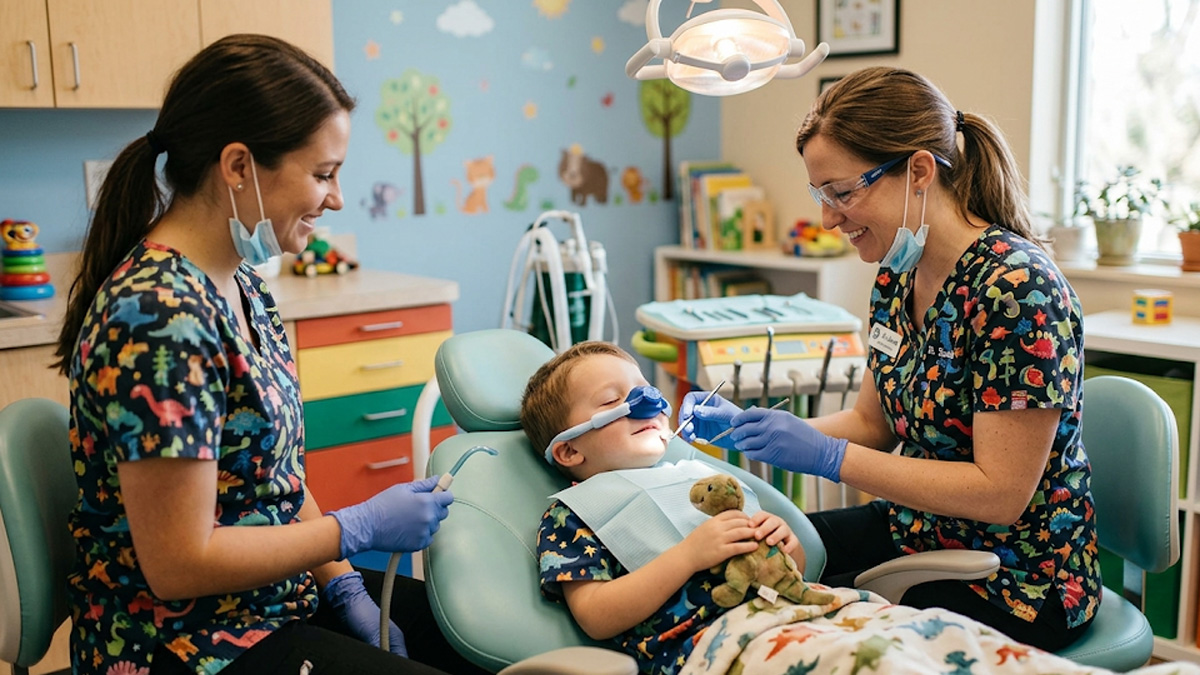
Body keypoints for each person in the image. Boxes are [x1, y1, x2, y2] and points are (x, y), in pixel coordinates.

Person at [52, 34, 487, 675]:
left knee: (484, 634)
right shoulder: (159, 319)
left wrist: (341, 581)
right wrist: (355, 528)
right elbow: (178, 565)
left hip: (275, 600)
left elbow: (270, 478)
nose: (335, 199)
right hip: (184, 642)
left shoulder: (244, 285)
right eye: (323, 174)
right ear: (238, 167)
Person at [678, 66, 1097, 652]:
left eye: (843, 193)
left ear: (919, 171)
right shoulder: (897, 275)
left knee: (814, 638)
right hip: (916, 528)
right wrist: (751, 433)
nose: (829, 218)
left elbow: (1000, 493)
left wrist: (828, 457)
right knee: (744, 570)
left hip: (1016, 574)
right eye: (820, 195)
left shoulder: (1018, 291)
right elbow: (871, 426)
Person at [520, 341, 812, 674]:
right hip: (719, 647)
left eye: (646, 390)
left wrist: (786, 546)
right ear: (570, 451)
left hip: (794, 614)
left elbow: (795, 571)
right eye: (612, 400)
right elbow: (595, 617)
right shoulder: (572, 515)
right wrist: (689, 556)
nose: (645, 402)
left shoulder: (702, 479)